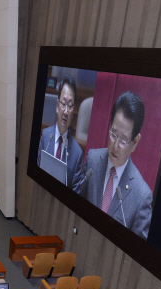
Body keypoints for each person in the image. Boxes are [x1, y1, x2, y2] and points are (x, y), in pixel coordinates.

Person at [79, 91, 152, 240]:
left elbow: (135, 253)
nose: (115, 145)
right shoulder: (92, 160)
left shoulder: (141, 196)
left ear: (135, 142)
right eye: (113, 134)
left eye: (124, 140)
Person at [37, 75, 84, 192]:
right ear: (57, 106)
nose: (66, 111)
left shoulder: (77, 154)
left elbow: (75, 194)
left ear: (73, 112)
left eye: (70, 105)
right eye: (63, 104)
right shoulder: (46, 136)